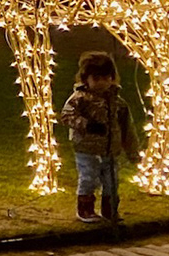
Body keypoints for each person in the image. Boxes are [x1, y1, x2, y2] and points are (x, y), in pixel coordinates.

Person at [60, 50, 140, 224]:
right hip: (87, 149)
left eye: (106, 78)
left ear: (112, 78)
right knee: (88, 178)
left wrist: (132, 151)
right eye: (96, 79)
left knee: (112, 181)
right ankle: (85, 209)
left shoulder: (118, 103)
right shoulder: (80, 98)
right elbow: (67, 115)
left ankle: (110, 210)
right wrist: (86, 125)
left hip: (111, 150)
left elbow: (127, 128)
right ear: (86, 79)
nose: (102, 83)